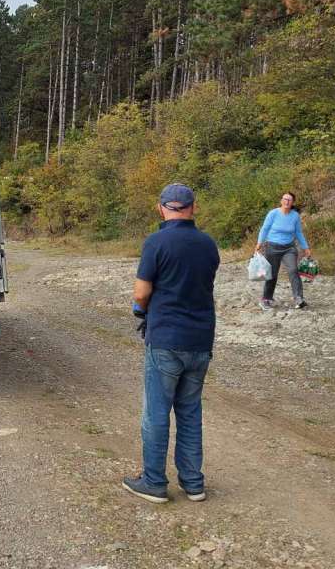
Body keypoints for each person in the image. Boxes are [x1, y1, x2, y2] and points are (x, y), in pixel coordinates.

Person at [123, 183, 220, 504]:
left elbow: (141, 293)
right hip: (200, 340)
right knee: (190, 411)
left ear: (160, 208)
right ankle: (193, 483)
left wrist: (140, 310)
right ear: (193, 207)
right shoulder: (208, 245)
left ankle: (154, 482)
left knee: (157, 413)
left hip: (165, 339)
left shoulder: (155, 243)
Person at [255, 191, 311, 311]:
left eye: (289, 200)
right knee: (272, 274)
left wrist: (305, 247)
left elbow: (298, 233)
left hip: (289, 248)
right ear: (281, 201)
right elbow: (264, 229)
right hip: (272, 247)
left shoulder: (295, 216)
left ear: (292, 203)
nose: (287, 201)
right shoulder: (273, 213)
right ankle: (266, 299)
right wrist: (259, 243)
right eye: (285, 199)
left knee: (293, 270)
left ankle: (299, 299)